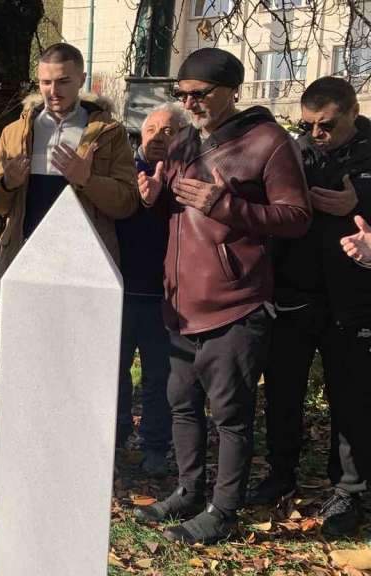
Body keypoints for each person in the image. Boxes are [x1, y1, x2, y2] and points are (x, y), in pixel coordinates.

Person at [133, 48, 311, 545]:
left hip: (236, 303)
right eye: (182, 94)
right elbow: (167, 202)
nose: (190, 103)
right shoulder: (186, 140)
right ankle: (189, 491)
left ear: (232, 90)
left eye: (200, 94)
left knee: (230, 416)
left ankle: (223, 510)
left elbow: (296, 218)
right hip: (181, 303)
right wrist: (151, 197)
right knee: (181, 405)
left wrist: (226, 205)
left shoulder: (269, 142)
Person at [247, 76, 371, 537]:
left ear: (353, 114)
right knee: (282, 395)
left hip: (354, 302)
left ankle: (349, 491)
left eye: (326, 125)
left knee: (352, 400)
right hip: (293, 298)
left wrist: (361, 205)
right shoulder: (293, 154)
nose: (316, 133)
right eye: (308, 125)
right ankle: (280, 474)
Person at [0, 42, 138, 277]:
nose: (53, 91)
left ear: (81, 79)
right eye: (46, 82)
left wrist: (87, 180)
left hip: (85, 265)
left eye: (63, 81)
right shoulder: (14, 132)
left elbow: (127, 203)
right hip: (26, 260)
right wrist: (7, 184)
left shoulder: (109, 132)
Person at [114, 104, 186, 477]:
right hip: (120, 293)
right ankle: (115, 437)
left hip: (167, 298)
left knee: (160, 377)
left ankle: (156, 445)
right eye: (151, 129)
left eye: (168, 130)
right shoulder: (122, 172)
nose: (158, 136)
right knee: (115, 373)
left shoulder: (188, 176)